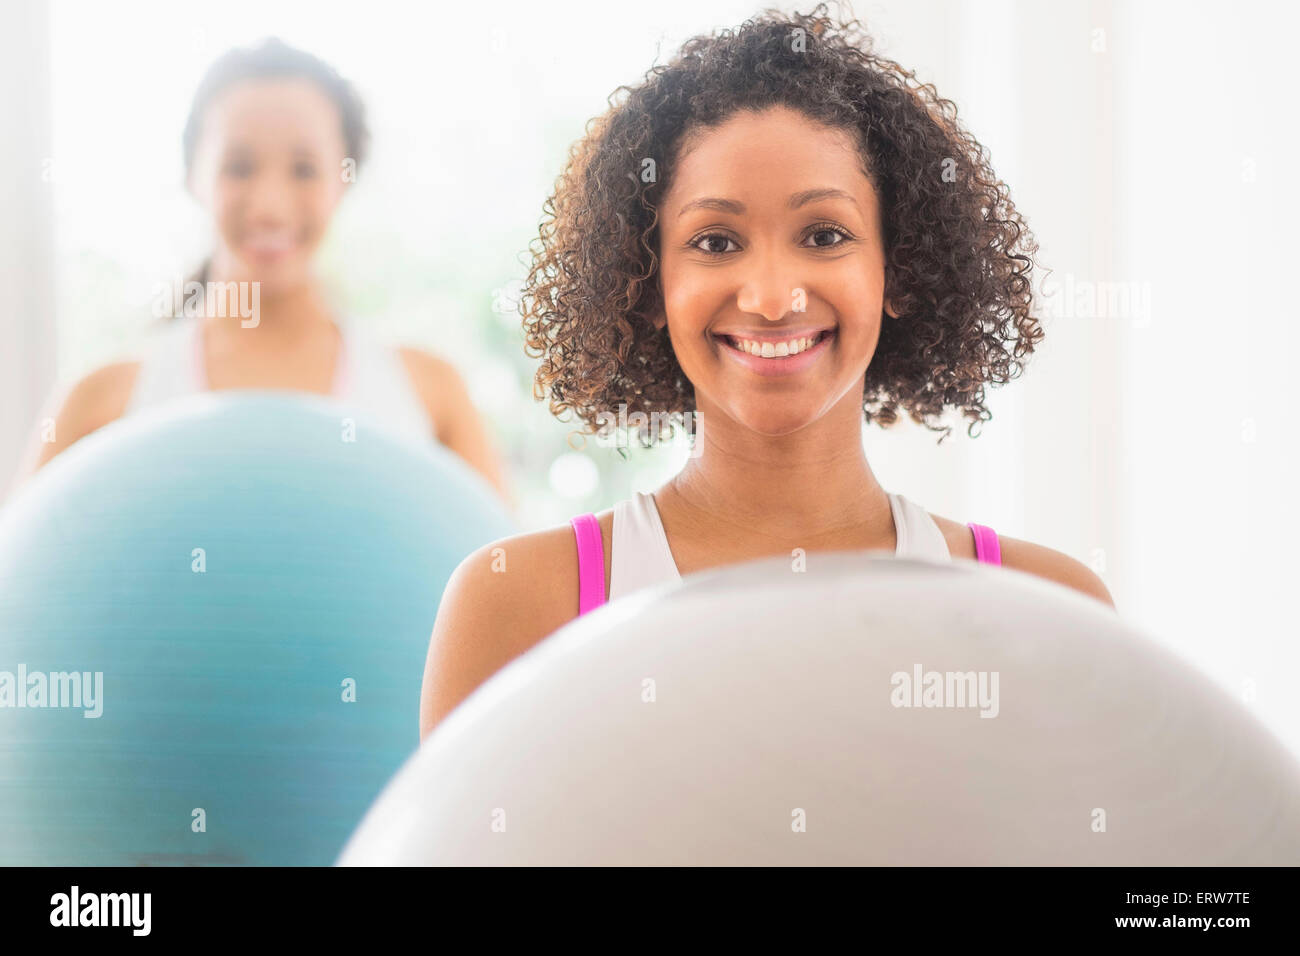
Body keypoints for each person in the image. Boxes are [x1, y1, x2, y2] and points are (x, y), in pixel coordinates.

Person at [419, 6, 1114, 738]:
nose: (772, 297)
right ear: (649, 284)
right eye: (716, 241)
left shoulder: (1049, 605)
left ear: (898, 270)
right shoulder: (518, 605)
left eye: (824, 235)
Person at [15, 38, 508, 501]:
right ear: (193, 177)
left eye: (304, 169)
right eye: (240, 166)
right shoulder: (97, 402)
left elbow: (506, 582)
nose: (270, 205)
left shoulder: (432, 394)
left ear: (345, 179)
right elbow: (18, 577)